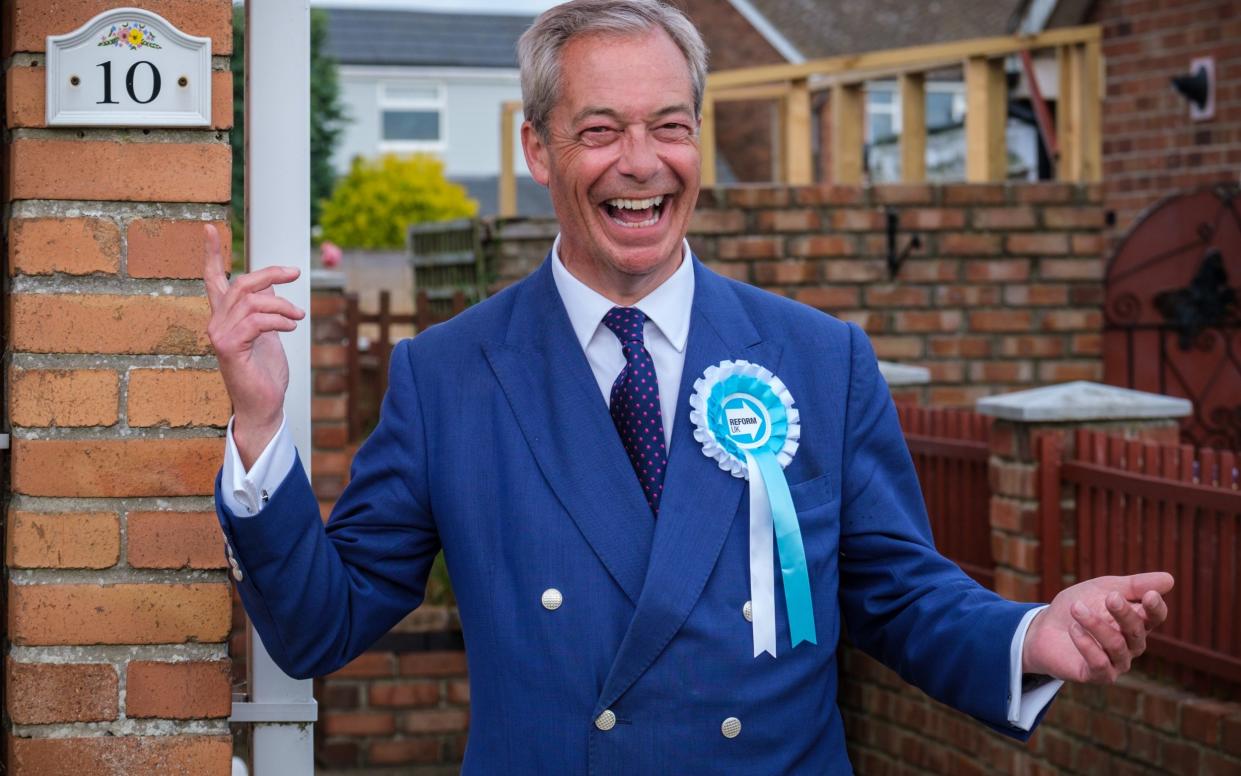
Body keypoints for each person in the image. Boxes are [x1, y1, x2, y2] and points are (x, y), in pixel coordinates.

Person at [206, 1, 1172, 772]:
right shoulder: (448, 374)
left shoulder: (819, 357)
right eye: (600, 129)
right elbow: (321, 624)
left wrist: (1031, 633)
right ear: (537, 149)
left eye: (670, 126)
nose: (641, 161)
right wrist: (257, 426)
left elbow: (897, 594)